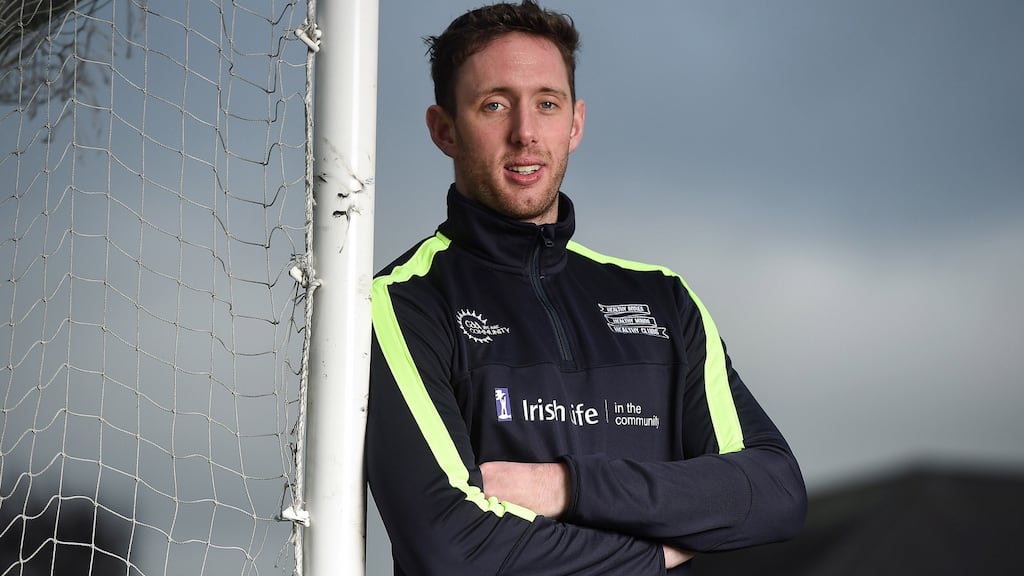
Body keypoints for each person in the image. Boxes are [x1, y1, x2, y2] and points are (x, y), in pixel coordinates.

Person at [366, 2, 807, 574]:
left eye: (546, 104)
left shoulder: (663, 300)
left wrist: (567, 487)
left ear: (574, 124)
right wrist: (655, 555)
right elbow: (452, 547)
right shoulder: (402, 303)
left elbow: (772, 491)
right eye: (494, 105)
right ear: (444, 128)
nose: (525, 133)